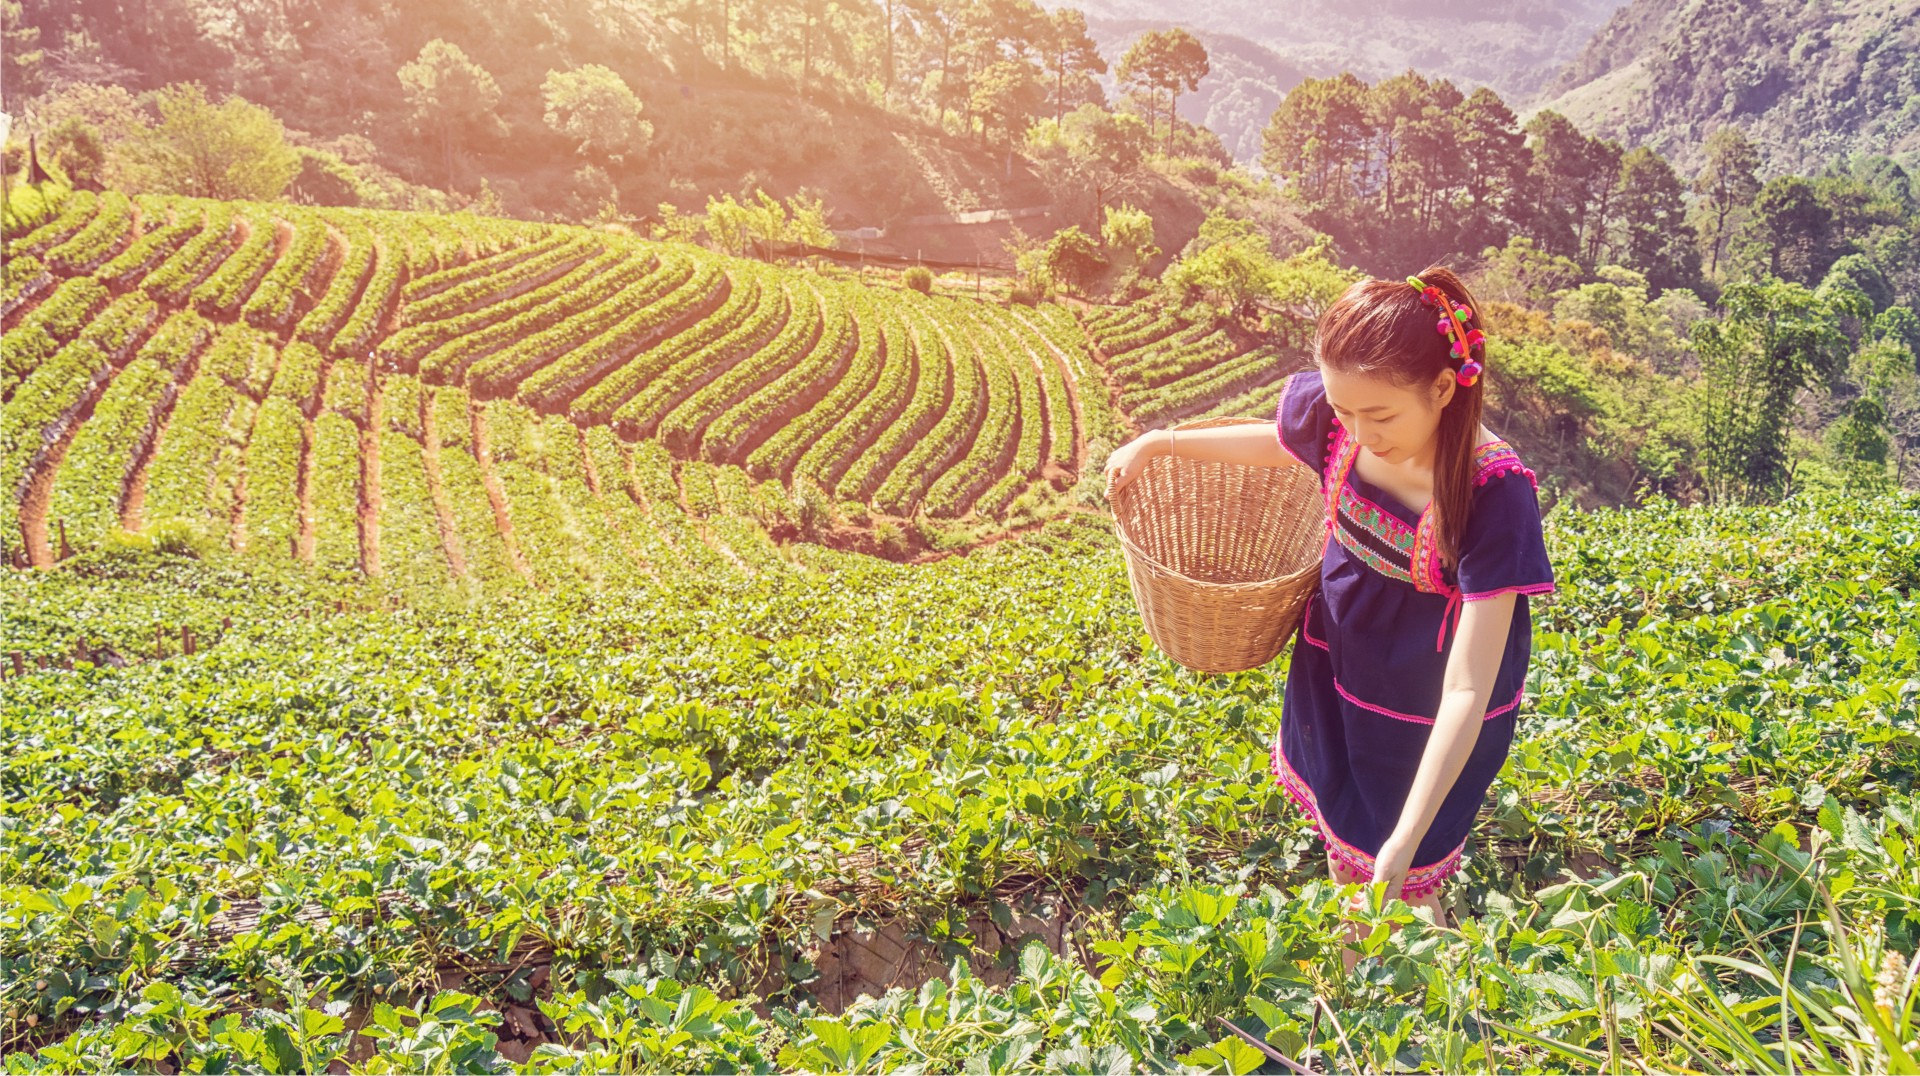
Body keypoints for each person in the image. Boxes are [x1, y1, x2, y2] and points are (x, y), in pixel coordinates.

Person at [1104, 267, 1555, 965]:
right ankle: (1356, 975)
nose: (1358, 431)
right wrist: (1160, 441)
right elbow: (1277, 444)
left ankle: (1425, 997)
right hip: (1340, 662)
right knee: (1347, 847)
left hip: (1426, 710)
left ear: (1443, 388)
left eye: (1381, 416)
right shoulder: (1341, 414)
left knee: (1402, 875)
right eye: (1345, 412)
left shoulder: (1493, 493)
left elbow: (1467, 688)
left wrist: (1405, 841)